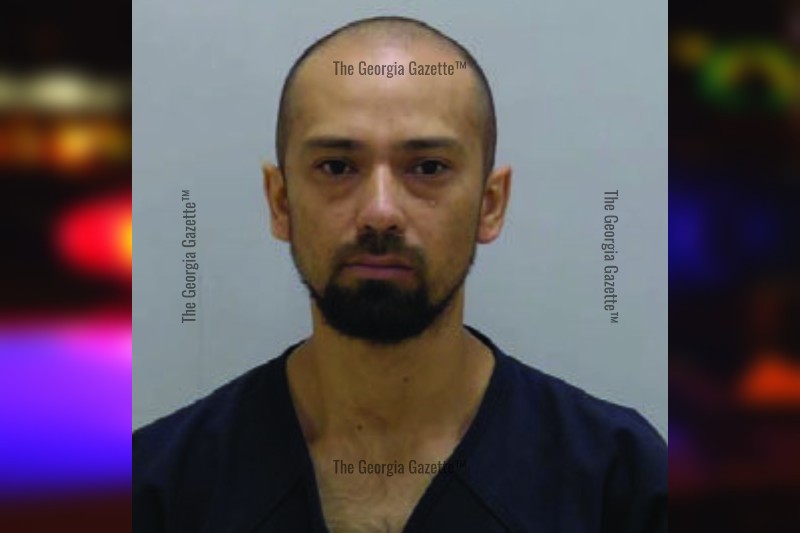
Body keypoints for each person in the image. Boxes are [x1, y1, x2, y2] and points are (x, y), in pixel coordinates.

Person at [133, 15, 667, 533]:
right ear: (281, 203)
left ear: (490, 205)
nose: (380, 212)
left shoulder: (621, 483)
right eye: (337, 167)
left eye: (428, 168)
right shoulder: (158, 488)